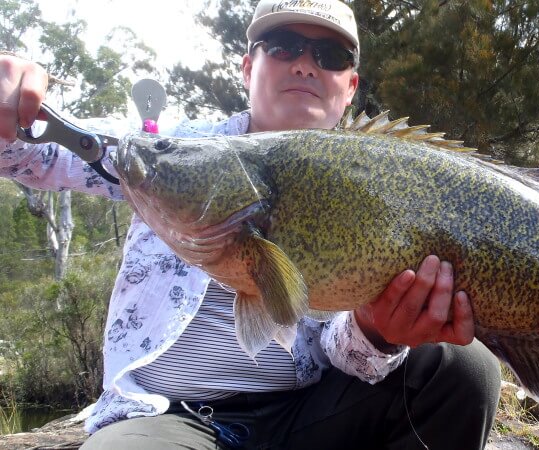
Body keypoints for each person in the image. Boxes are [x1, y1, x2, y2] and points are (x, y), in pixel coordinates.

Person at [0, 1, 502, 449]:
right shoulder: (175, 150)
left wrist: (378, 331)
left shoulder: (376, 181)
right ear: (247, 68)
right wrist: (14, 99)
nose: (304, 64)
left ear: (350, 87)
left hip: (308, 415)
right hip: (168, 418)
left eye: (330, 55)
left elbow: (345, 353)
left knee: (464, 370)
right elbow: (36, 153)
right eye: (283, 46)